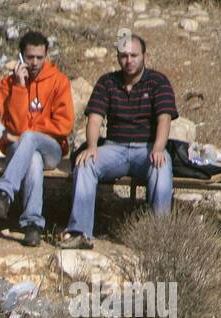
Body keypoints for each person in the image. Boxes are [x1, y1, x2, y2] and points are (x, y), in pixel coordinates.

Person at [59, 34, 177, 249]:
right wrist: (92, 146)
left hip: (147, 148)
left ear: (144, 56)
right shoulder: (107, 82)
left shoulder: (158, 81)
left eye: (134, 55)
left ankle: (160, 236)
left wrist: (159, 148)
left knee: (162, 164)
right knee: (85, 163)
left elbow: (165, 118)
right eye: (123, 56)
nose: (129, 60)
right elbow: (94, 118)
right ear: (117, 58)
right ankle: (80, 232)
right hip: (115, 147)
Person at [0, 31, 74, 247]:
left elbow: (64, 125)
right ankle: (32, 226)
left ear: (46, 56)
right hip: (21, 150)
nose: (34, 63)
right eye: (30, 57)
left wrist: (31, 131)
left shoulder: (59, 82)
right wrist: (21, 88)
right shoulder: (8, 84)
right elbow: (13, 125)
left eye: (39, 57)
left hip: (51, 147)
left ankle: (4, 193)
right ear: (22, 56)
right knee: (32, 159)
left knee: (30, 138)